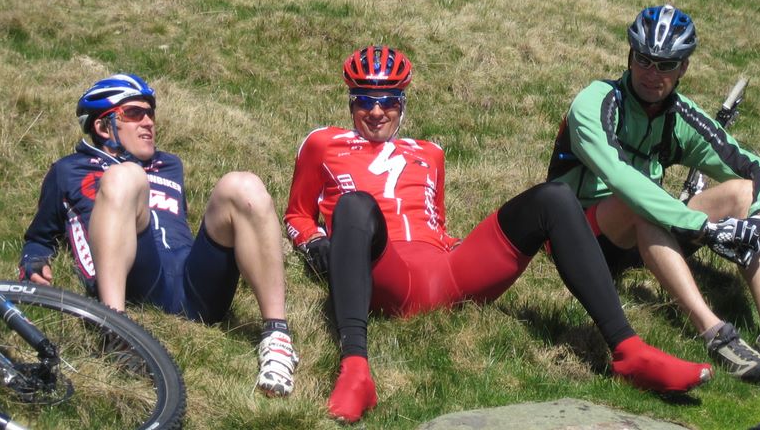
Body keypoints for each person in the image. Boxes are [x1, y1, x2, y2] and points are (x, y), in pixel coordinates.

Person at [285, 45, 712, 423]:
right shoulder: (323, 144)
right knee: (355, 204)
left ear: (403, 102)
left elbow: (434, 221)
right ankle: (356, 369)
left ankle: (629, 352)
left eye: (388, 101)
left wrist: (456, 247)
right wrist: (314, 242)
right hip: (388, 271)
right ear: (350, 102)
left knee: (554, 197)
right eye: (364, 100)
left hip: (446, 270)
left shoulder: (430, 153)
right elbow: (297, 215)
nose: (377, 112)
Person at [547, 5, 760, 382]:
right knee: (639, 202)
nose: (652, 73)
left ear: (684, 68)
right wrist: (703, 227)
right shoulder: (596, 101)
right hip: (578, 236)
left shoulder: (681, 116)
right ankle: (715, 333)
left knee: (744, 194)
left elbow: (755, 168)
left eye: (666, 64)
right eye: (644, 60)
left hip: (644, 236)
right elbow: (621, 178)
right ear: (630, 56)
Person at [19, 73, 298, 396]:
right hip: (136, 281)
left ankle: (277, 336)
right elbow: (39, 236)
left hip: (194, 285)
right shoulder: (69, 170)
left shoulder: (169, 165)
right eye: (134, 113)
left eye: (150, 113)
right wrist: (34, 260)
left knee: (243, 184)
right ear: (103, 126)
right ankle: (115, 330)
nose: (148, 122)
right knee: (125, 176)